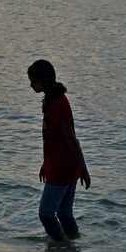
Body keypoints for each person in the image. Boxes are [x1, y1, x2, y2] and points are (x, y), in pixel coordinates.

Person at [27, 59, 91, 241]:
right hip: (64, 164)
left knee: (46, 214)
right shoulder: (54, 100)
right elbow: (55, 140)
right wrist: (45, 163)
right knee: (64, 213)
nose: (31, 85)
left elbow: (71, 139)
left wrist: (84, 169)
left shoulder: (58, 105)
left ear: (44, 81)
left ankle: (62, 246)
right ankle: (73, 245)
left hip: (62, 168)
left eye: (34, 81)